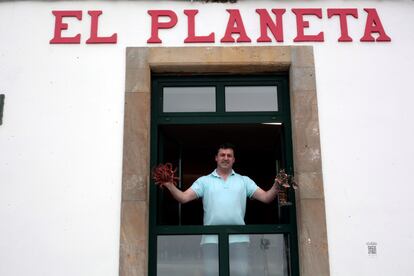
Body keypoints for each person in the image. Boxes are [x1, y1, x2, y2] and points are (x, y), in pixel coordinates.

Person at [160, 143, 280, 276]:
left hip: (238, 239)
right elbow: (183, 198)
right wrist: (170, 185)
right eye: (222, 155)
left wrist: (276, 185)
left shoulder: (244, 181)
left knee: (241, 274)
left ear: (234, 159)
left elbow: (266, 198)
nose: (226, 158)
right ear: (216, 158)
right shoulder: (204, 181)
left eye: (229, 155)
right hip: (211, 240)